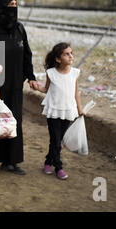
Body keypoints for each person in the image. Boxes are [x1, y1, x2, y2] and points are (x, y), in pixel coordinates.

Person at [0, 0, 38, 175]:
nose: (13, 9)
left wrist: (31, 76)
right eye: (9, 5)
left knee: (14, 121)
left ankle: (11, 161)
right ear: (0, 8)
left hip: (15, 85)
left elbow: (27, 54)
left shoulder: (19, 29)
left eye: (15, 5)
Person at [36, 42, 85, 180]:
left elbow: (76, 93)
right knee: (56, 140)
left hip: (68, 110)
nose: (71, 56)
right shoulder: (51, 73)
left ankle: (48, 161)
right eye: (66, 54)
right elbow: (45, 89)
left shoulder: (74, 73)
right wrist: (35, 86)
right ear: (58, 59)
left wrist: (80, 108)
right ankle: (59, 167)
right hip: (54, 111)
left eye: (71, 53)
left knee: (58, 140)